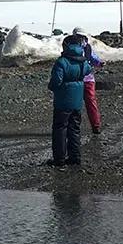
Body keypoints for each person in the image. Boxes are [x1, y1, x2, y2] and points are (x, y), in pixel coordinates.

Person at [48, 39, 92, 167]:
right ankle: (75, 157)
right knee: (74, 129)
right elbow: (88, 70)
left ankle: (59, 159)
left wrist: (52, 87)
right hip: (77, 100)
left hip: (63, 101)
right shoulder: (82, 61)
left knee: (60, 129)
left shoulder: (62, 62)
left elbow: (56, 81)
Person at [63, 27, 103, 134]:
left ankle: (93, 126)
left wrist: (99, 63)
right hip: (83, 78)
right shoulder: (80, 48)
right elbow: (93, 59)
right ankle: (91, 126)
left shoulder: (77, 48)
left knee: (78, 103)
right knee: (87, 102)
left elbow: (93, 58)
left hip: (79, 78)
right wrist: (98, 63)